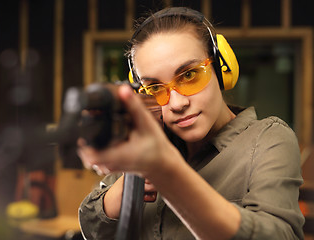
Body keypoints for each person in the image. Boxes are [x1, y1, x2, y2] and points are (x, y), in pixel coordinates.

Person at [77, 7, 305, 240]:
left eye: (189, 75)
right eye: (155, 88)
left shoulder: (268, 140)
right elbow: (90, 222)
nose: (176, 104)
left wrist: (166, 172)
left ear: (221, 69)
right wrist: (125, 188)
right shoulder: (149, 139)